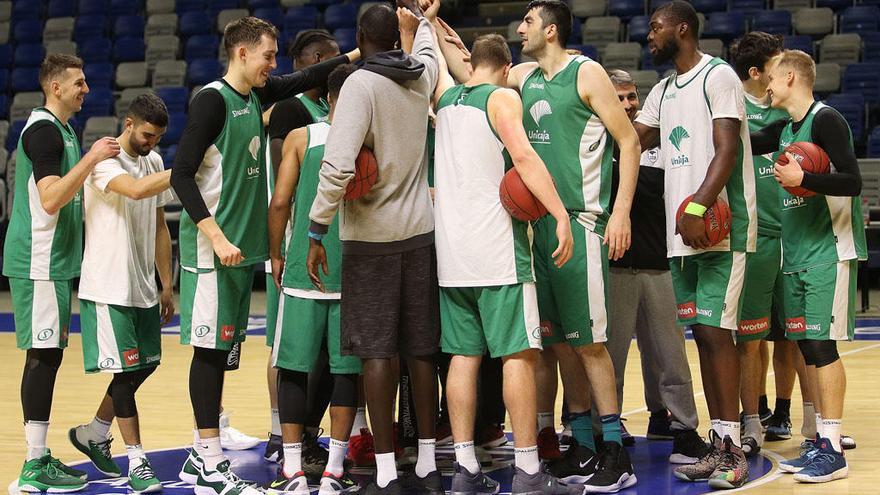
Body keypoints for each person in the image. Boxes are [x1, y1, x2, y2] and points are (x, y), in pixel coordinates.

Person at [438, 1, 641, 490]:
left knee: (590, 343)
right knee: (559, 342)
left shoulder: (587, 73)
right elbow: (464, 61)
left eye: (527, 22)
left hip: (582, 219)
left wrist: (620, 213)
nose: (519, 28)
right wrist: (429, 21)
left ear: (550, 30)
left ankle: (616, 451)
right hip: (537, 226)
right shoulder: (523, 75)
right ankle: (584, 445)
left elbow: (629, 142)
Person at [170, 16, 358, 495]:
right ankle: (210, 462)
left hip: (240, 253)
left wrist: (361, 54)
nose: (274, 66)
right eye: (268, 56)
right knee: (210, 356)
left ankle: (201, 455)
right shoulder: (212, 100)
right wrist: (214, 236)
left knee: (223, 354)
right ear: (242, 53)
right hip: (214, 253)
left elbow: (309, 76)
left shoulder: (254, 96)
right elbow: (182, 173)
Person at [432, 33, 580, 494]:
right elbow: (523, 156)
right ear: (506, 65)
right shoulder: (502, 99)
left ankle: (464, 471)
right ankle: (529, 472)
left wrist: (428, 27)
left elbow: (442, 64)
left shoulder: (446, 100)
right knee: (518, 354)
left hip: (451, 252)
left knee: (462, 356)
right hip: (497, 251)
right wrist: (558, 213)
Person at [307, 1, 441, 492]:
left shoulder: (360, 84)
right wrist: (424, 20)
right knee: (422, 350)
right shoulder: (421, 76)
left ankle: (385, 469)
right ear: (397, 36)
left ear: (361, 35)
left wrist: (317, 227)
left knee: (377, 353)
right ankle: (427, 462)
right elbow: (428, 52)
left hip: (370, 239)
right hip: (420, 233)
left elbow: (340, 166)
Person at [633, 1, 757, 489]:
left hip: (721, 229)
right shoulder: (662, 91)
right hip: (681, 235)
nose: (649, 35)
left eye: (655, 27)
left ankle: (733, 450)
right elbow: (634, 138)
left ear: (681, 29)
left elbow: (726, 149)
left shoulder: (718, 76)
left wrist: (700, 206)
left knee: (714, 334)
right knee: (702, 338)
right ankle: (719, 442)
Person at [3, 53, 120, 494]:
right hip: (38, 261)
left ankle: (38, 454)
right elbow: (50, 199)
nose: (85, 89)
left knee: (47, 354)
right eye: (79, 83)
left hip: (53, 262)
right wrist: (91, 159)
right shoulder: (44, 131)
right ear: (55, 87)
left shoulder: (62, 129)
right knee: (42, 355)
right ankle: (34, 462)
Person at [750, 49, 866, 483]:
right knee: (807, 348)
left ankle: (833, 449)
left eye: (774, 79)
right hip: (795, 253)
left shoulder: (827, 120)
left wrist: (805, 180)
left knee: (823, 346)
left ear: (793, 77)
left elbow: (852, 181)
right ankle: (819, 441)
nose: (767, 85)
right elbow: (743, 139)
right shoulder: (786, 128)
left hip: (828, 250)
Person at [69, 92, 174, 494]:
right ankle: (138, 460)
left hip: (143, 286)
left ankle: (94, 431)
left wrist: (166, 284)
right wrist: (184, 168)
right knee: (126, 373)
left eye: (158, 138)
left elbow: (161, 226)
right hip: (108, 285)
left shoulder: (154, 161)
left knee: (146, 365)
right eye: (147, 135)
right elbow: (133, 191)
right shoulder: (104, 161)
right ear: (129, 124)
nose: (151, 144)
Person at [265, 63, 361, 495]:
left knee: (293, 370)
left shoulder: (303, 138)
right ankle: (336, 471)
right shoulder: (369, 139)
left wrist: (275, 254)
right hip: (355, 272)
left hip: (306, 268)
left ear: (325, 98)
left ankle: (291, 471)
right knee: (346, 374)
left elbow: (280, 201)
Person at [603, 69, 704, 463]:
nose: (628, 104)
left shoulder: (662, 143)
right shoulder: (597, 144)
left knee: (670, 356)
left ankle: (680, 426)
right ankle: (607, 427)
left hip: (661, 266)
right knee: (609, 357)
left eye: (632, 97)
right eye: (620, 98)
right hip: (612, 267)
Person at [262, 28, 343, 473]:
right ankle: (282, 433)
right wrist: (277, 251)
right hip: (298, 247)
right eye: (331, 59)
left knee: (326, 357)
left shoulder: (325, 112)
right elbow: (284, 189)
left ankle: (305, 434)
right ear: (315, 58)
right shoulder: (292, 109)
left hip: (330, 248)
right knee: (291, 350)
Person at [728, 31, 788, 457]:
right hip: (755, 236)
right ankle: (756, 412)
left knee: (798, 337)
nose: (783, 71)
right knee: (752, 337)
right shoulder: (733, 108)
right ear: (755, 72)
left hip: (795, 234)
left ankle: (795, 413)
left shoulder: (791, 106)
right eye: (775, 64)